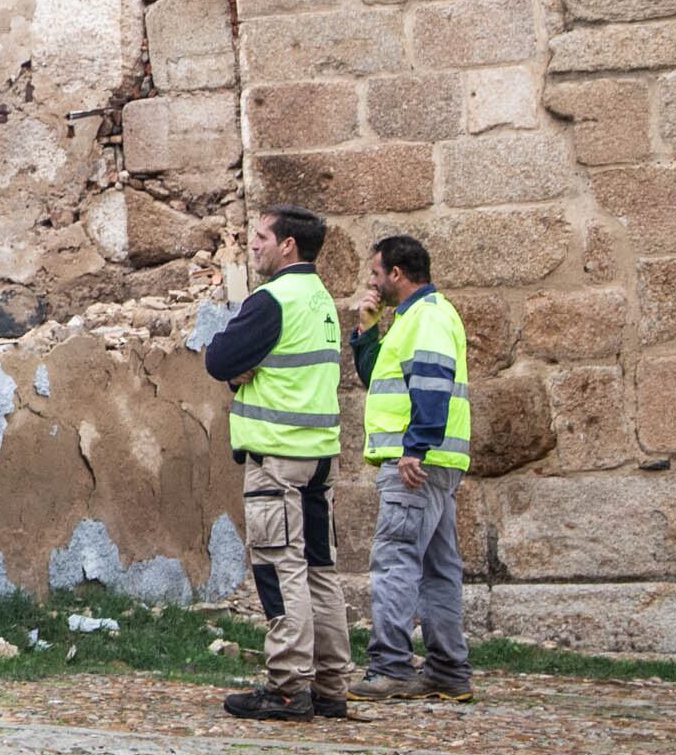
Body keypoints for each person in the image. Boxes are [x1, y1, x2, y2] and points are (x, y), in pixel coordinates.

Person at [202, 206, 357, 721]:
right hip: (319, 456)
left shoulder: (271, 300)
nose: (254, 246)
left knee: (278, 566)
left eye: (262, 237)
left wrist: (240, 370)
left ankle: (289, 686)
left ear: (288, 245)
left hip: (277, 456)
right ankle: (333, 684)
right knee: (319, 568)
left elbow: (219, 358)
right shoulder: (323, 301)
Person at [348, 233, 474, 703]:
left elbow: (431, 385)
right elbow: (377, 376)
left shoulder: (426, 318)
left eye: (376, 273)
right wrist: (366, 331)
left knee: (395, 562)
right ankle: (446, 672)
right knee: (438, 568)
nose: (372, 281)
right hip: (432, 463)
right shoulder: (413, 319)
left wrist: (414, 448)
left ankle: (391, 666)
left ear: (396, 274)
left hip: (415, 466)